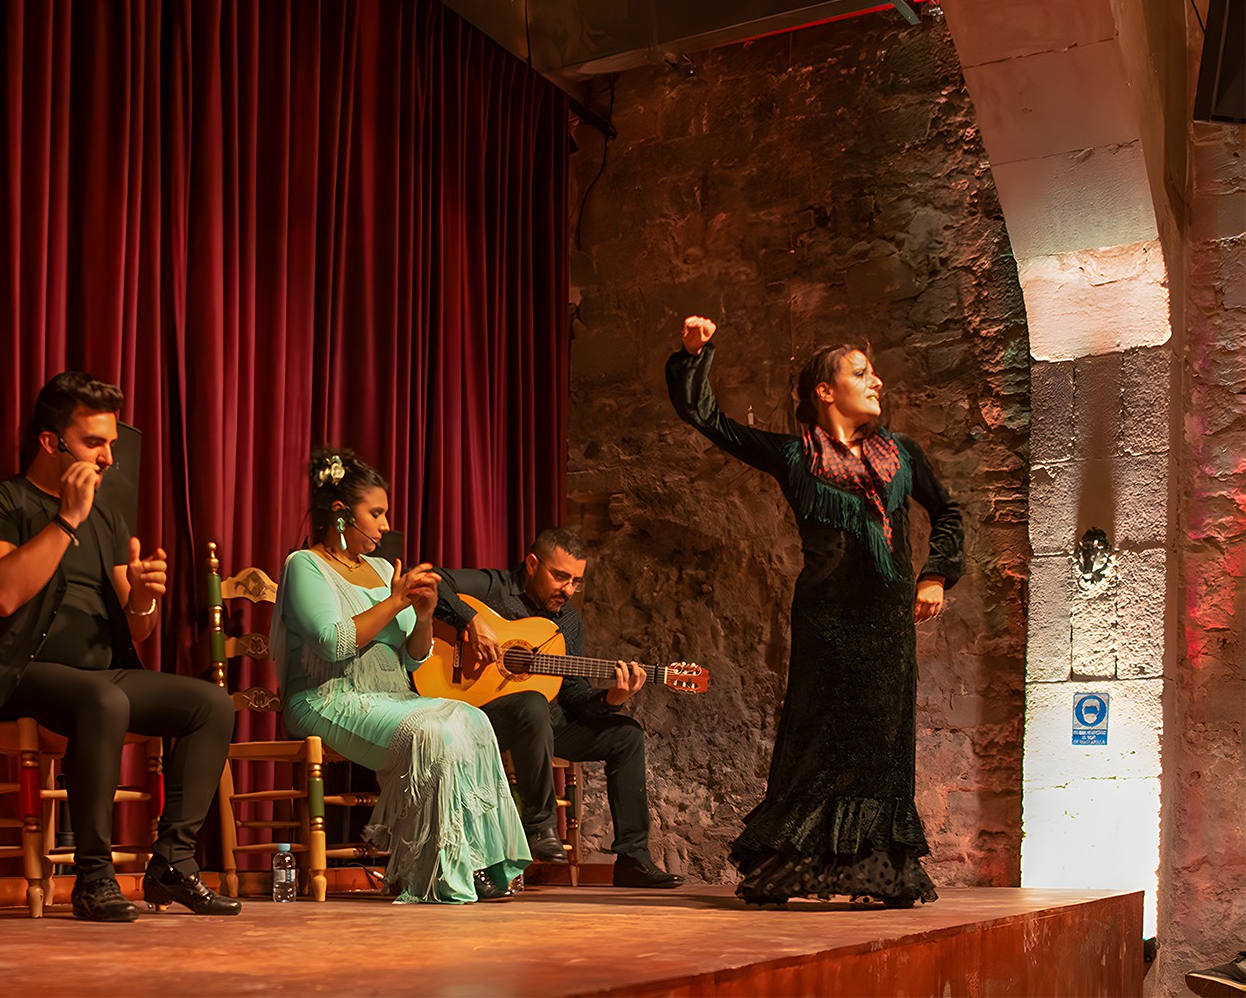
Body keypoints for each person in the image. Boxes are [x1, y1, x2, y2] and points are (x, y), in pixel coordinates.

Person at [665, 315, 964, 907]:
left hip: (886, 626)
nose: (876, 381)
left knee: (882, 747)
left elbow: (949, 512)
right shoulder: (794, 457)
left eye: (873, 372)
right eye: (861, 372)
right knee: (817, 744)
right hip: (827, 622)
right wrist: (695, 357)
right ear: (825, 391)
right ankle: (791, 870)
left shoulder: (902, 455)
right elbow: (707, 420)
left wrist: (934, 575)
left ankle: (879, 874)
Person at [0, 372, 239, 921]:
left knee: (211, 704)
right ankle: (93, 877)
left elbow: (136, 632)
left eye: (111, 442)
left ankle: (173, 862)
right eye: (95, 442)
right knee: (103, 700)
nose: (109, 457)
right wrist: (66, 520)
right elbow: (0, 593)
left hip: (99, 676)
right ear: (51, 441)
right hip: (18, 673)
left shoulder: (108, 519)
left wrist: (140, 597)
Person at [270, 448, 531, 903]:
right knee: (432, 732)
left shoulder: (378, 567)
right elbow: (333, 642)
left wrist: (425, 614)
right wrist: (395, 601)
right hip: (326, 697)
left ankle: (480, 862)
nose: (385, 524)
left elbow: (413, 660)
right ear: (340, 514)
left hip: (390, 695)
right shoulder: (304, 565)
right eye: (376, 513)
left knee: (472, 720)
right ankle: (436, 872)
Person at [434, 528, 686, 889]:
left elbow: (574, 695)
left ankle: (633, 858)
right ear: (533, 564)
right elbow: (431, 579)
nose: (568, 589)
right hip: (482, 716)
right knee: (533, 703)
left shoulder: (567, 621)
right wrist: (470, 621)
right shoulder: (495, 588)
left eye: (576, 582)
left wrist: (611, 699)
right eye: (561, 576)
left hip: (546, 725)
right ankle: (540, 828)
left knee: (626, 735)